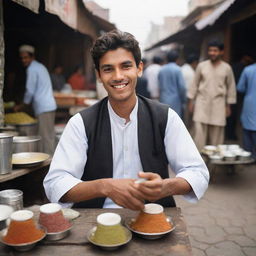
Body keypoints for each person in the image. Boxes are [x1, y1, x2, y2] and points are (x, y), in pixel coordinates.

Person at [44, 30, 209, 210]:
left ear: (139, 69)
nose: (118, 76)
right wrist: (104, 187)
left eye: (125, 66)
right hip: (95, 220)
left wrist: (165, 187)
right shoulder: (81, 123)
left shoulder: (165, 117)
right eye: (108, 69)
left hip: (152, 217)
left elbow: (197, 172)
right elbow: (56, 183)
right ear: (99, 75)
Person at [187, 40, 236, 151]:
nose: (212, 53)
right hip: (201, 103)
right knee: (199, 136)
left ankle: (214, 167)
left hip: (218, 104)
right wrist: (191, 102)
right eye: (210, 50)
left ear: (221, 52)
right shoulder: (201, 66)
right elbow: (194, 84)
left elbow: (231, 87)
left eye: (215, 50)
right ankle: (199, 162)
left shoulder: (227, 68)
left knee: (216, 138)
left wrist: (228, 106)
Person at [16, 45, 57, 155]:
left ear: (32, 57)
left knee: (46, 138)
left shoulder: (32, 69)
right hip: (47, 106)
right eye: (22, 58)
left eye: (26, 57)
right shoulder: (40, 66)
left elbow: (30, 91)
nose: (23, 60)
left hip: (44, 107)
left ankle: (49, 165)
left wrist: (22, 105)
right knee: (48, 136)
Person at [237, 61, 256, 159]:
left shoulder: (248, 70)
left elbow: (240, 88)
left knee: (248, 129)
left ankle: (248, 156)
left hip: (250, 104)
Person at [158, 50, 186, 117]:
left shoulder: (161, 70)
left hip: (163, 100)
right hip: (175, 101)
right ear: (177, 59)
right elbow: (182, 87)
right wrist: (183, 100)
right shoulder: (178, 69)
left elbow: (160, 85)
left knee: (164, 121)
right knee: (174, 122)